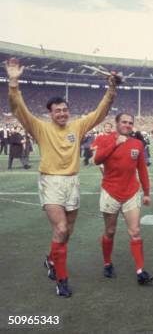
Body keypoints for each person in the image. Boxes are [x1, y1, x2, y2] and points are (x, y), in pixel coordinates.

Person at [5, 57, 117, 297]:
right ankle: (61, 279)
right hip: (51, 181)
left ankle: (51, 259)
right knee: (61, 227)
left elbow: (99, 114)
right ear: (50, 114)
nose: (62, 114)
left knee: (68, 232)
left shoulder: (77, 126)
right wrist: (13, 83)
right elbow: (19, 110)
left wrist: (111, 89)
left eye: (65, 110)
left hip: (72, 182)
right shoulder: (40, 127)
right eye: (57, 111)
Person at [94, 113, 153, 284]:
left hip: (131, 192)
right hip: (110, 191)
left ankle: (141, 270)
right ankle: (107, 263)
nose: (127, 125)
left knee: (135, 231)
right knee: (110, 231)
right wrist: (115, 143)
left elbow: (142, 169)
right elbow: (97, 160)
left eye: (130, 123)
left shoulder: (138, 144)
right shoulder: (106, 139)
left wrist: (147, 192)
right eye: (124, 122)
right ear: (117, 123)